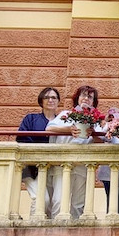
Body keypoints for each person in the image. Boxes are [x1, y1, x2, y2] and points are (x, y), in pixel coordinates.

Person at [46, 85, 100, 219]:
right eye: (83, 95)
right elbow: (49, 128)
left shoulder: (95, 120)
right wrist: (68, 129)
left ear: (93, 102)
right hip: (62, 164)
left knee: (78, 204)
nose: (86, 98)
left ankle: (75, 231)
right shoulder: (66, 114)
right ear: (77, 98)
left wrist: (93, 133)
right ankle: (57, 229)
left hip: (82, 166)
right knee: (59, 200)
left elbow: (102, 142)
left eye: (90, 97)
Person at [16, 87, 60, 218]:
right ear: (41, 101)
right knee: (41, 199)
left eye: (54, 97)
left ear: (58, 101)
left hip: (54, 169)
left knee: (52, 204)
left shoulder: (62, 121)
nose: (50, 100)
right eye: (47, 97)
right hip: (32, 167)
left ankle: (45, 229)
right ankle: (32, 226)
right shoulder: (31, 119)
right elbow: (22, 139)